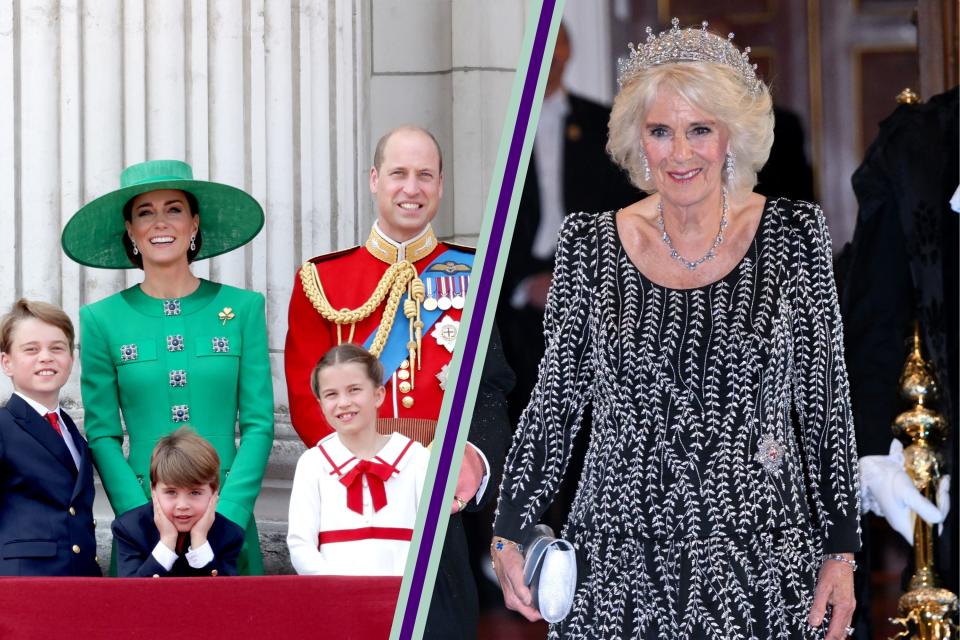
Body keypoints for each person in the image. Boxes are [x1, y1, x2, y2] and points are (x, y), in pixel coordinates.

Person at [492, 20, 860, 639]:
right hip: (617, 561)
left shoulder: (795, 236)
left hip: (763, 555)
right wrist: (509, 527)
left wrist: (842, 551)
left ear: (731, 137)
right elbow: (554, 405)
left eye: (699, 130)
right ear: (638, 139)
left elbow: (824, 405)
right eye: (661, 131)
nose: (680, 153)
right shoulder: (590, 245)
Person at [284, 126, 513, 637]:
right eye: (399, 174)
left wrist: (471, 458)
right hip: (351, 498)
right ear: (374, 179)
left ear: (440, 185)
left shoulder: (474, 274)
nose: (412, 188)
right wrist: (359, 464)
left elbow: (490, 389)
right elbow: (306, 394)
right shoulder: (323, 280)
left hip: (440, 495)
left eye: (425, 176)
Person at [60, 159, 274, 575]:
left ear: (194, 223)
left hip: (226, 515)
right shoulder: (101, 319)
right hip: (144, 525)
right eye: (145, 212)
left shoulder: (244, 309)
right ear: (130, 230)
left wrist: (227, 510)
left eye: (174, 209)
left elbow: (259, 423)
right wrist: (141, 515)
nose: (161, 222)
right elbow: (102, 432)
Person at [499, 22, 639, 423]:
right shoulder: (495, 123)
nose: (549, 54)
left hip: (592, 293)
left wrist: (581, 284)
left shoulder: (605, 127)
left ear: (569, 51)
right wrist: (523, 286)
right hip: (512, 303)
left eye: (557, 43)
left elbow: (625, 216)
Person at [287, 344, 429, 575]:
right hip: (336, 601)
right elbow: (300, 544)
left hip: (404, 597)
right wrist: (336, 591)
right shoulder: (312, 464)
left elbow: (430, 539)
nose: (343, 402)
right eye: (331, 394)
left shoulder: (416, 458)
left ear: (378, 395)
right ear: (320, 405)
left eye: (354, 390)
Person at [0, 299, 100, 576]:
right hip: (20, 583)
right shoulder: (3, 425)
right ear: (6, 362)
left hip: (77, 582)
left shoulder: (72, 431)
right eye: (31, 349)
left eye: (57, 348)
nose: (46, 357)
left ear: (71, 359)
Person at [112, 427, 245, 577]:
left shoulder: (229, 534)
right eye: (171, 492)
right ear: (154, 490)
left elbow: (226, 596)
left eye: (195, 492)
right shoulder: (130, 529)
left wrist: (200, 541)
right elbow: (130, 596)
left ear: (214, 492)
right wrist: (167, 542)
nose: (182, 505)